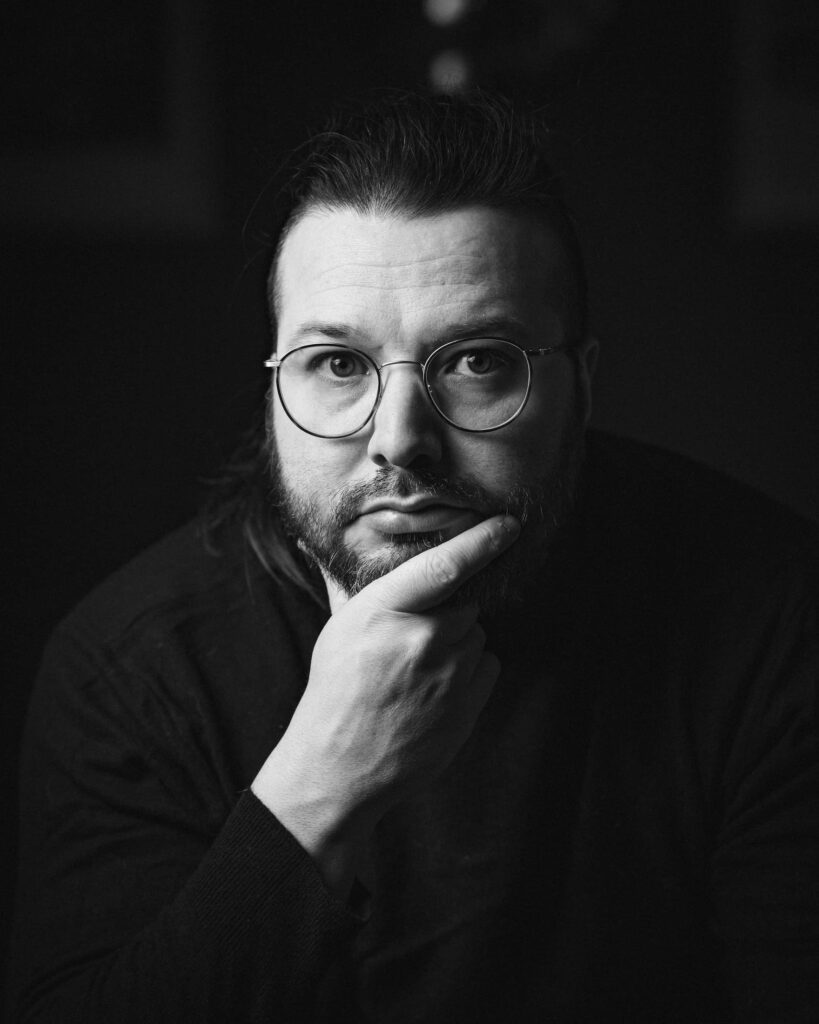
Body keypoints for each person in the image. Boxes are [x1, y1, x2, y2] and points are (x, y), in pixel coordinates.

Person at [7, 91, 819, 1023]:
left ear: (581, 387)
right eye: (337, 364)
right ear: (273, 392)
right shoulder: (132, 666)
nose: (399, 441)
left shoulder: (771, 615)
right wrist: (318, 791)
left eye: (476, 361)